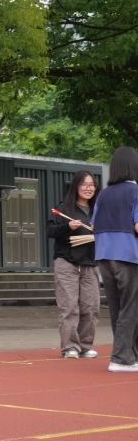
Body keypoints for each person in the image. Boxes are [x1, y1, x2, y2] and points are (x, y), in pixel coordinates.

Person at [92, 147, 138, 374]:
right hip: (128, 254)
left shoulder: (103, 194)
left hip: (103, 255)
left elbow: (94, 224)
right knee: (131, 307)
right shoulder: (135, 191)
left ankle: (129, 354)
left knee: (117, 308)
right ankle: (122, 358)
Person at [49, 171, 100, 359]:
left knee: (91, 307)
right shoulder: (64, 208)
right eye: (84, 184)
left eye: (92, 185)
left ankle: (85, 346)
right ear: (76, 187)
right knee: (69, 306)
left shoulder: (98, 210)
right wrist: (67, 227)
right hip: (67, 262)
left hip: (90, 263)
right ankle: (70, 347)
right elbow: (50, 231)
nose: (88, 188)